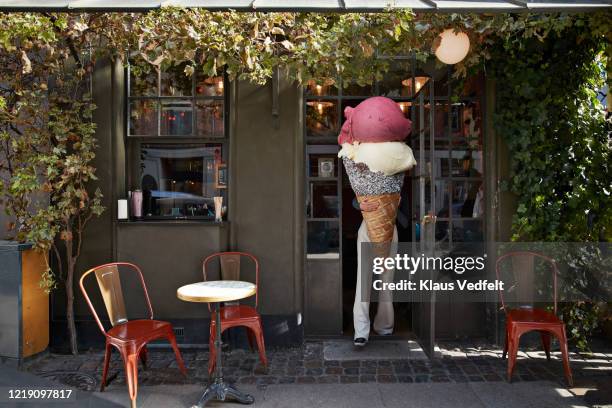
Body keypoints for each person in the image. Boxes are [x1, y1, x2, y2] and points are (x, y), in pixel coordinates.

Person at [352, 197, 399, 347]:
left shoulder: (396, 175)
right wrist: (359, 205)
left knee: (387, 279)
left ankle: (385, 325)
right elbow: (355, 197)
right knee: (363, 279)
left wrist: (394, 201)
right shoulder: (365, 173)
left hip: (389, 227)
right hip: (367, 225)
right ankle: (360, 331)